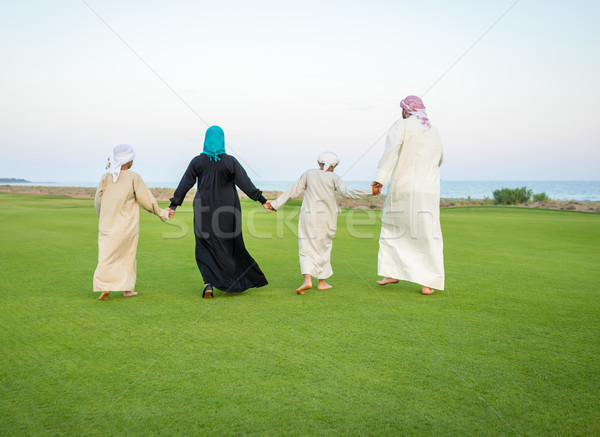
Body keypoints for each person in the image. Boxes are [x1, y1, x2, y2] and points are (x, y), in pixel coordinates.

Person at [167, 126, 269, 298]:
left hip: (203, 210)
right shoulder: (230, 161)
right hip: (227, 209)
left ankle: (208, 283)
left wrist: (174, 205)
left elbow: (185, 183)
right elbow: (245, 183)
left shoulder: (197, 162)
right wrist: (262, 200)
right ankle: (231, 280)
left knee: (204, 245)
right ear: (222, 140)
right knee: (228, 244)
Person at [266, 152, 371, 294]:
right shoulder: (335, 177)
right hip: (328, 218)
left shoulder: (309, 174)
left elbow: (292, 192)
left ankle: (307, 281)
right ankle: (322, 283)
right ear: (332, 165)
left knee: (306, 247)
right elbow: (348, 193)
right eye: (336, 165)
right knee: (324, 248)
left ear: (319, 163)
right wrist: (371, 191)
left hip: (308, 217)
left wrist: (274, 204)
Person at [371, 95, 444, 295]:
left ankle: (391, 272)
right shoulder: (434, 131)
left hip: (404, 187)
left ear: (405, 110)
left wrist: (379, 180)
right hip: (428, 190)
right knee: (427, 232)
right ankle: (426, 283)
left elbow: (390, 152)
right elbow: (439, 160)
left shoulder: (401, 125)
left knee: (394, 228)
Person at [93, 144, 170, 300]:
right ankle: (127, 289)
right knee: (127, 255)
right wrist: (163, 214)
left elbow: (98, 201)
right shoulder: (134, 177)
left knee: (106, 255)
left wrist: (103, 217)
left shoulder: (106, 177)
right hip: (126, 225)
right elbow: (147, 200)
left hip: (107, 224)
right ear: (128, 160)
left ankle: (105, 286)